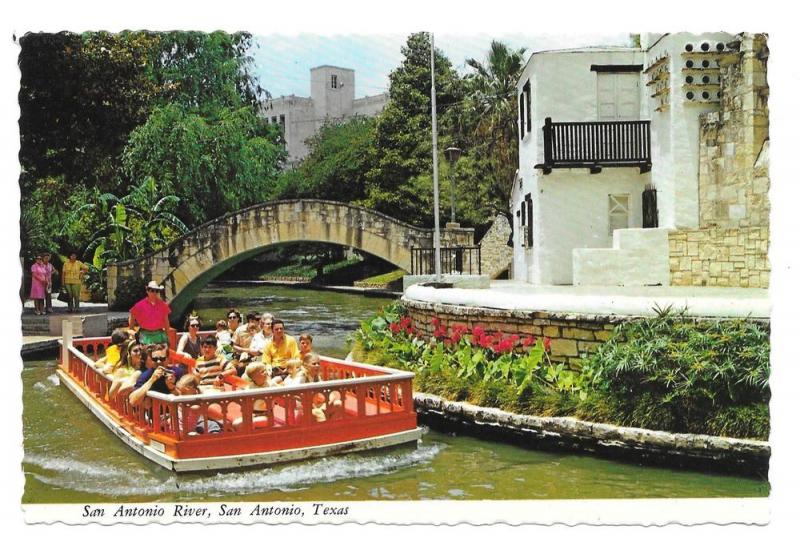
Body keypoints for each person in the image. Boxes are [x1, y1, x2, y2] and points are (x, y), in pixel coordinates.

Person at [129, 281, 171, 345]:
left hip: (159, 334)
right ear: (147, 291)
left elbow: (166, 321)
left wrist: (168, 336)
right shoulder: (140, 305)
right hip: (145, 335)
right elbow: (132, 316)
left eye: (156, 291)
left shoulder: (163, 305)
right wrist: (131, 330)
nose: (154, 293)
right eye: (152, 290)